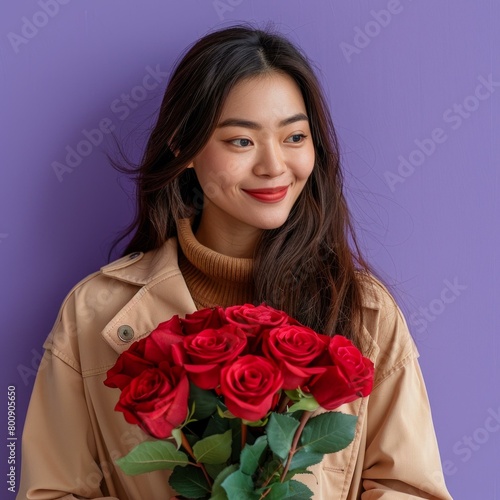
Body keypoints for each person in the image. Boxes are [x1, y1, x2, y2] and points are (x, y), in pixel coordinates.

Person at [17, 24, 452, 499]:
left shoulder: (363, 311)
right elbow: (52, 490)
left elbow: (408, 488)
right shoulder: (93, 312)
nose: (272, 165)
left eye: (294, 136)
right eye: (241, 141)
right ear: (183, 147)